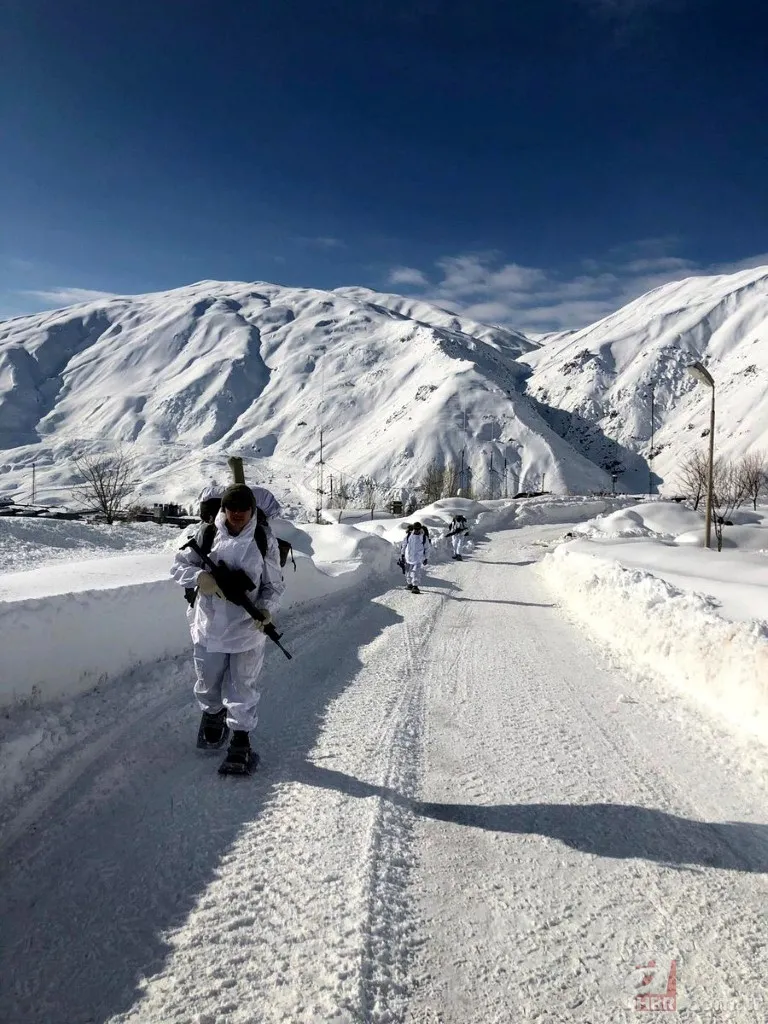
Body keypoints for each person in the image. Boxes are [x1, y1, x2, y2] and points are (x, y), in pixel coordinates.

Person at [171, 483, 285, 775]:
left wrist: (265, 608)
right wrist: (200, 578)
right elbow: (178, 567)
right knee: (208, 680)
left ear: (251, 511)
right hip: (209, 625)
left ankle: (241, 740)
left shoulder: (263, 538)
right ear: (223, 509)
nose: (236, 514)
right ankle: (212, 714)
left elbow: (273, 583)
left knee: (242, 685)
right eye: (231, 508)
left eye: (243, 509)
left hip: (247, 629)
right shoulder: (207, 534)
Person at [400, 521, 430, 594]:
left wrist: (426, 558)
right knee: (407, 572)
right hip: (408, 557)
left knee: (416, 572)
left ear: (420, 529)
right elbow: (404, 545)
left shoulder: (423, 537)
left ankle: (415, 586)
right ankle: (409, 584)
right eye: (415, 529)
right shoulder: (409, 535)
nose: (416, 530)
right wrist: (402, 554)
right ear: (413, 528)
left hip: (418, 558)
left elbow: (427, 548)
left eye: (418, 529)